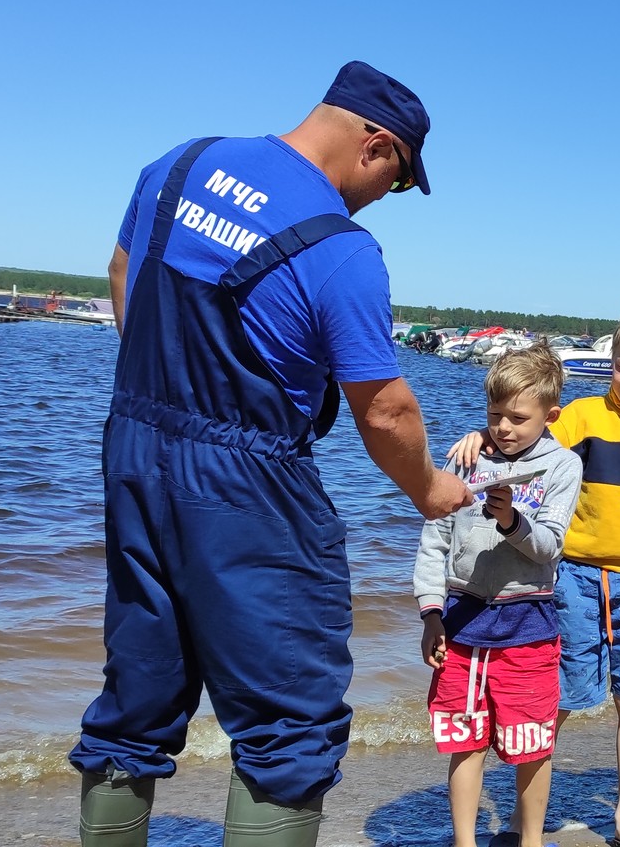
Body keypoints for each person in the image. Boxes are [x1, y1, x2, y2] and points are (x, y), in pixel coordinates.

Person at [68, 61, 476, 847]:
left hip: (133, 444)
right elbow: (385, 409)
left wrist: (167, 397)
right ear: (377, 145)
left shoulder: (176, 165)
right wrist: (428, 488)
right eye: (394, 180)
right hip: (247, 482)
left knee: (138, 694)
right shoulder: (341, 248)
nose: (382, 197)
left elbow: (124, 270)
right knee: (290, 719)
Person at [449, 302, 620, 847]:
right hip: (574, 578)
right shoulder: (582, 416)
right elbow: (519, 437)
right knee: (554, 700)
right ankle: (523, 822)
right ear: (611, 359)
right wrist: (479, 437)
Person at [415, 343, 583, 847]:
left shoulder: (563, 467)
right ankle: (464, 841)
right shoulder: (467, 457)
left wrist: (510, 519)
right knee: (464, 743)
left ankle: (529, 839)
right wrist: (430, 614)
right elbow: (434, 541)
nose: (504, 427)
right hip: (462, 626)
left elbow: (550, 546)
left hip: (528, 629)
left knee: (532, 745)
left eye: (518, 417)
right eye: (494, 415)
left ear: (550, 416)